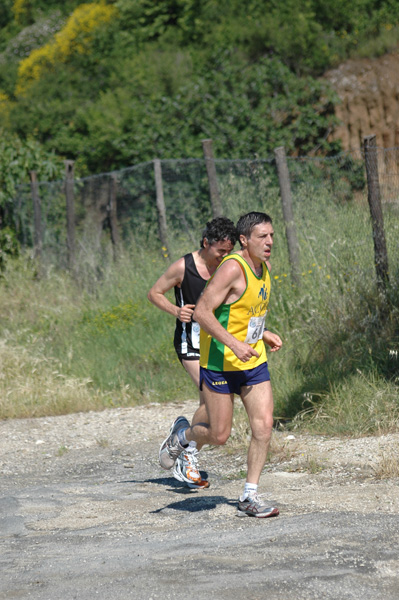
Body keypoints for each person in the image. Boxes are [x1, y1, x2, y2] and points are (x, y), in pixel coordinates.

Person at [159, 211, 282, 517]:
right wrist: (234, 344)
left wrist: (262, 333)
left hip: (252, 361)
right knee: (218, 435)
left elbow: (245, 309)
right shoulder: (231, 267)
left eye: (271, 236)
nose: (269, 242)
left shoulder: (264, 266)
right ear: (244, 240)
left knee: (263, 426)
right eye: (261, 237)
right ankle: (183, 436)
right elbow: (202, 312)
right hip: (219, 363)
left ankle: (249, 496)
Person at [148, 216, 237, 488]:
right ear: (205, 243)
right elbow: (155, 293)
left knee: (214, 403)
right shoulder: (183, 267)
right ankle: (187, 454)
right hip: (191, 344)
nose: (224, 256)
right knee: (210, 403)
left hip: (217, 343)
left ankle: (182, 438)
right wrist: (177, 311)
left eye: (228, 252)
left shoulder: (228, 268)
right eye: (220, 251)